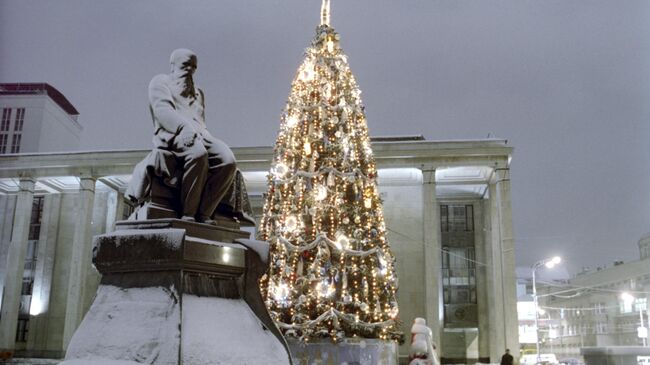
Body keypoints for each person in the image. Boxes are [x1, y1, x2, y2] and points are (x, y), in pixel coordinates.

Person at [143, 48, 237, 223]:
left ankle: (205, 213)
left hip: (200, 133)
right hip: (173, 133)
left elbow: (200, 119)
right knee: (198, 154)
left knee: (228, 160)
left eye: (194, 67)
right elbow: (162, 110)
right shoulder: (160, 82)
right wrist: (184, 128)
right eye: (185, 65)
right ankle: (189, 213)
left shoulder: (198, 92)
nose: (190, 70)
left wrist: (203, 134)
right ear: (173, 66)